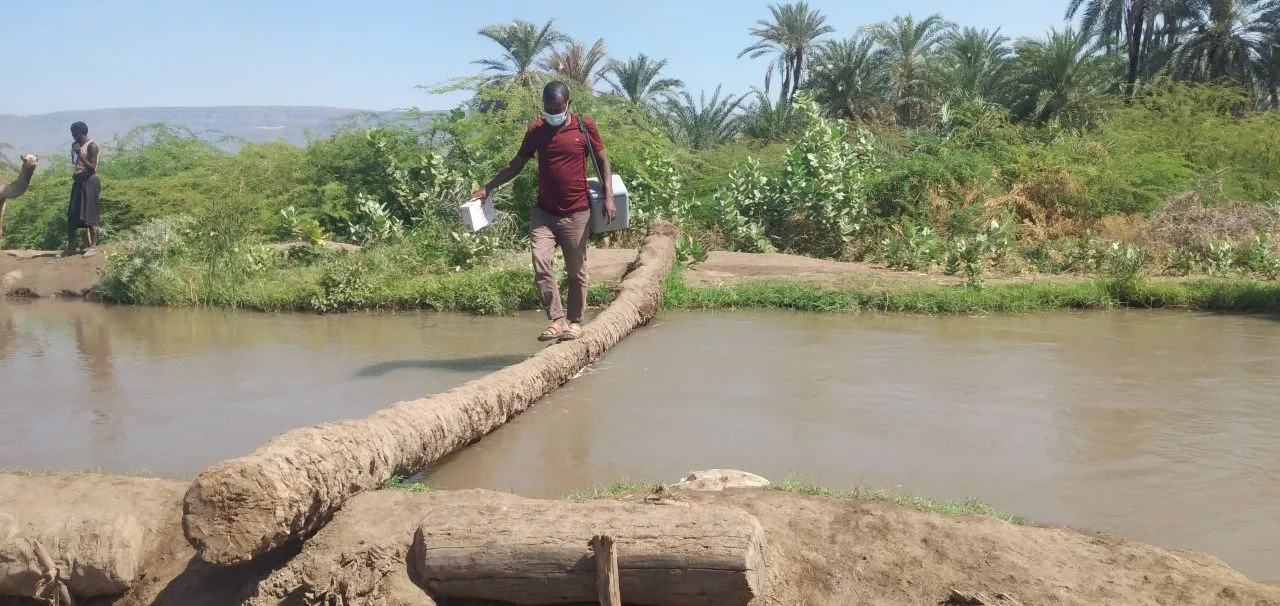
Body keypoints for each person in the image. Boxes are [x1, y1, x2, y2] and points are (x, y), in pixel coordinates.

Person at [471, 81, 616, 342]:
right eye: (548, 110)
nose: (553, 115)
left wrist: (608, 198)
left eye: (557, 109)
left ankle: (575, 322)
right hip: (544, 213)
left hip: (577, 212)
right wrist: (488, 187)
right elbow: (516, 165)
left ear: (569, 105)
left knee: (576, 271)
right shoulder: (537, 130)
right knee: (541, 262)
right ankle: (557, 320)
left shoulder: (584, 126)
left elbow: (603, 161)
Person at [65, 121, 101, 257]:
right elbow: (76, 163)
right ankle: (71, 247)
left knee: (91, 213)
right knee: (72, 213)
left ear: (79, 133)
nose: (72, 136)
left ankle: (93, 246)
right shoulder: (76, 146)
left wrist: (79, 153)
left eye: (73, 133)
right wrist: (76, 152)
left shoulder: (92, 146)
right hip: (80, 181)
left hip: (90, 181)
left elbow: (92, 168)